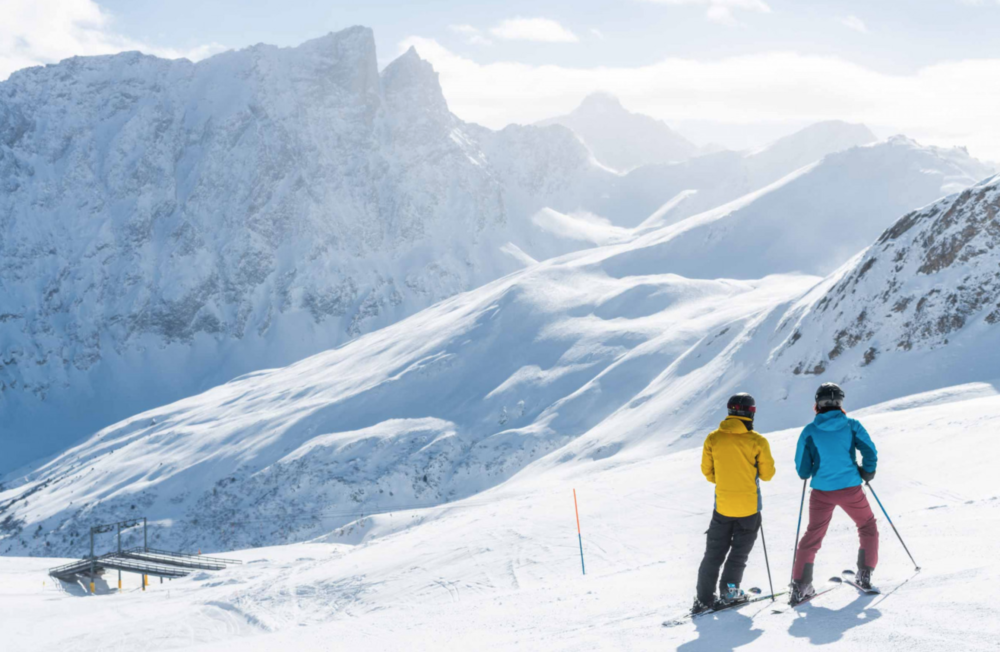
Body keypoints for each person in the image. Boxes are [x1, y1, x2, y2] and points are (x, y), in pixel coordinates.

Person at [790, 382, 879, 604]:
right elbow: (870, 450)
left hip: (822, 492)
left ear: (817, 405)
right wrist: (867, 471)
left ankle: (801, 586)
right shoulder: (852, 425)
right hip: (850, 488)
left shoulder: (810, 431)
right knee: (867, 525)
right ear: (840, 403)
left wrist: (809, 471)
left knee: (813, 535)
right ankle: (865, 574)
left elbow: (802, 468)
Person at [693, 393, 776, 614]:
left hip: (722, 506)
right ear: (750, 413)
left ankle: (703, 599)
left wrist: (726, 480)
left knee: (713, 553)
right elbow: (767, 475)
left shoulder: (713, 438)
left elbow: (707, 472)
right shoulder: (757, 441)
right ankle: (730, 593)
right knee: (738, 554)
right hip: (749, 508)